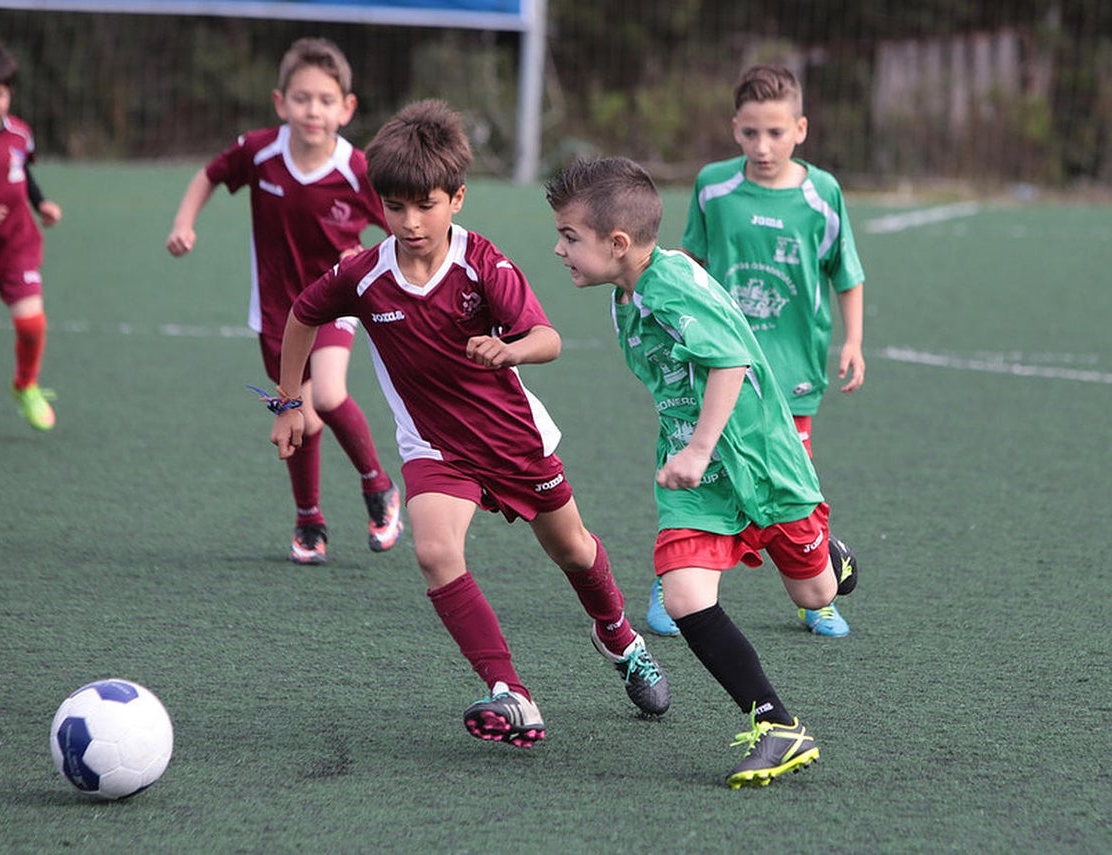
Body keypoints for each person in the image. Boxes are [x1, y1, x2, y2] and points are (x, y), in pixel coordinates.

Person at [270, 100, 669, 748]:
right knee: (432, 548)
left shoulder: (481, 263)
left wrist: (511, 348)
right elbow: (302, 314)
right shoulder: (366, 274)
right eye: (395, 206)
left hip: (512, 438)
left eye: (425, 204)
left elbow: (548, 336)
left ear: (455, 198)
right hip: (434, 445)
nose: (410, 220)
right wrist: (289, 401)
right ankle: (511, 691)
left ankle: (618, 635)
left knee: (572, 548)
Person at [546, 154, 856, 787]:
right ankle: (777, 726)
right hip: (700, 477)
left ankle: (833, 555)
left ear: (620, 242)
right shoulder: (628, 291)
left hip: (761, 463)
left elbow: (731, 361)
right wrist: (689, 453)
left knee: (816, 593)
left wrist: (697, 449)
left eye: (570, 237)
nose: (559, 250)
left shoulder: (671, 285)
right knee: (686, 596)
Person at [646, 63, 864, 638]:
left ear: (801, 129)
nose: (762, 146)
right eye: (749, 133)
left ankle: (814, 593)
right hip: (715, 365)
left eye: (775, 132)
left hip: (791, 369)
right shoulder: (714, 185)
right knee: (703, 468)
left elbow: (846, 270)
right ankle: (673, 575)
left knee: (791, 480)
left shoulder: (823, 194)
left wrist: (854, 341)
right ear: (734, 128)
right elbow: (687, 265)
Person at [167, 37, 401, 563]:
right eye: (301, 98)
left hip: (336, 305)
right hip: (274, 315)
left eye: (324, 99)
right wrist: (184, 224)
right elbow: (209, 175)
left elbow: (400, 231)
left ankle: (379, 488)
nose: (312, 110)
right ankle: (309, 521)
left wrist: (365, 257)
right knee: (298, 418)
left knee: (330, 396)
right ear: (281, 103)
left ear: (346, 108)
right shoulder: (259, 152)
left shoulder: (358, 169)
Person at [0, 34, 63, 440]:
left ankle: (25, 384)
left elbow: (23, 171)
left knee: (32, 323)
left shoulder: (20, 134)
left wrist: (41, 203)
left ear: (10, 94)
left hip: (17, 245)